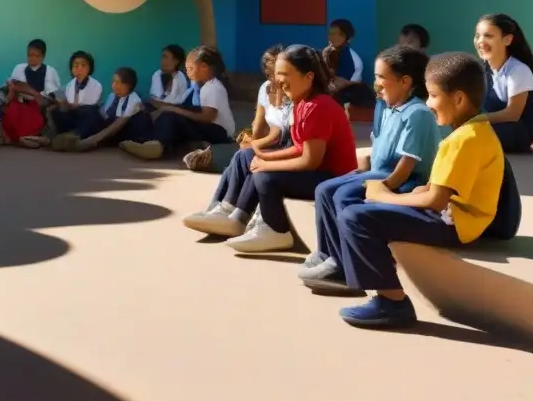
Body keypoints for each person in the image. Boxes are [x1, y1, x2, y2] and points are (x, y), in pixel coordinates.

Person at [334, 52, 504, 329]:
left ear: (458, 98)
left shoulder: (463, 140)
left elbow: (436, 202)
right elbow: (441, 186)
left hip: (453, 224)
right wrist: (409, 195)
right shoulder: (473, 131)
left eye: (434, 96)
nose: (428, 103)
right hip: (456, 217)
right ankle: (379, 280)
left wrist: (386, 196)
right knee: (362, 210)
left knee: (357, 217)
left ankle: (392, 302)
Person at [299, 45, 442, 291]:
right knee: (324, 189)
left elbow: (405, 168)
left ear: (405, 81)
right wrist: (359, 175)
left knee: (344, 194)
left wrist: (379, 190)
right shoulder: (386, 108)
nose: (376, 83)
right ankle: (329, 253)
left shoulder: (417, 113)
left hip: (402, 182)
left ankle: (347, 267)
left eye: (381, 77)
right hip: (380, 174)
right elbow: (377, 151)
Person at [219, 45, 358, 253]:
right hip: (318, 171)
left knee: (265, 176)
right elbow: (300, 147)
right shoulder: (302, 102)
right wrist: (263, 155)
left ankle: (276, 231)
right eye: (277, 74)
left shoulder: (318, 106)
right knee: (251, 158)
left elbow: (310, 160)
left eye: (285, 74)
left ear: (308, 76)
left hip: (334, 179)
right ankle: (237, 216)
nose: (279, 80)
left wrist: (268, 163)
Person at [183, 44, 290, 173]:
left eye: (282, 74)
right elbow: (259, 125)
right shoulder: (265, 88)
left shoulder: (294, 92)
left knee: (246, 163)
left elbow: (278, 134)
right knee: (235, 159)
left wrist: (255, 145)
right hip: (266, 144)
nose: (276, 80)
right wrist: (250, 139)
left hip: (285, 148)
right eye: (271, 75)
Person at [120, 46, 235, 160]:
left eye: (190, 68)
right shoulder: (199, 87)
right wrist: (168, 108)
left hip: (219, 132)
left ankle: (157, 146)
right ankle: (145, 142)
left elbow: (207, 116)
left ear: (204, 67)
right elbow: (181, 106)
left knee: (171, 117)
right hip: (208, 127)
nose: (187, 72)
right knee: (157, 114)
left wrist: (174, 110)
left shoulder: (213, 87)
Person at [475, 13, 533, 154]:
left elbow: (513, 114)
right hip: (491, 123)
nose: (481, 41)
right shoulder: (481, 68)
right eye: (478, 36)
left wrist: (475, 120)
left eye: (488, 36)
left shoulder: (518, 70)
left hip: (517, 129)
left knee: (472, 133)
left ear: (507, 40)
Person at [65, 67, 153, 152]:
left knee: (140, 118)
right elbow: (103, 116)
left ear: (128, 85)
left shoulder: (134, 99)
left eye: (118, 82)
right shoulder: (112, 96)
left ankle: (131, 145)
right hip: (112, 128)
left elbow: (117, 125)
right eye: (113, 82)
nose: (114, 86)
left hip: (125, 129)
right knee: (93, 110)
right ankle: (75, 136)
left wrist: (93, 140)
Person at [2, 39, 61, 148]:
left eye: (36, 56)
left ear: (43, 56)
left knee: (33, 121)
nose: (32, 58)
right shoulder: (19, 68)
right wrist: (12, 88)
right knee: (10, 117)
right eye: (29, 55)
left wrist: (30, 91)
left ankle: (30, 138)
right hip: (19, 103)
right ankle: (26, 139)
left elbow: (50, 97)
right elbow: (12, 88)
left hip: (36, 106)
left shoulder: (50, 71)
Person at [51, 51, 103, 150]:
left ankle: (75, 136)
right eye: (76, 66)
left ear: (89, 69)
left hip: (85, 116)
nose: (79, 69)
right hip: (72, 116)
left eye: (83, 65)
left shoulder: (96, 85)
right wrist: (62, 105)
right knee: (56, 112)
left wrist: (72, 106)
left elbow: (90, 104)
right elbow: (67, 106)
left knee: (94, 112)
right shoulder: (69, 85)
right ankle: (68, 136)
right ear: (72, 69)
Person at [324, 19, 376, 109]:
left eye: (339, 34)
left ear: (348, 38)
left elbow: (337, 85)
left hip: (347, 100)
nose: (334, 37)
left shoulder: (352, 60)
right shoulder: (327, 53)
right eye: (332, 33)